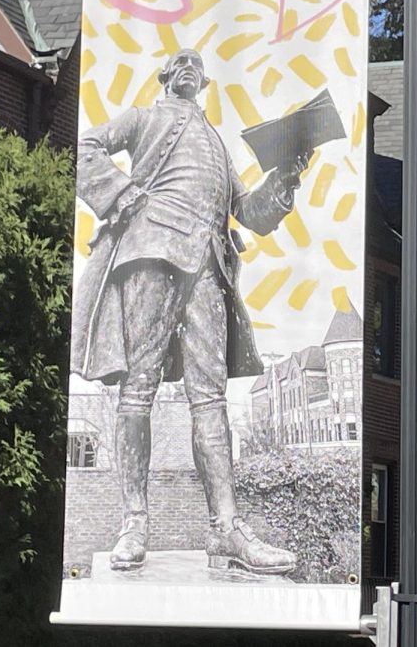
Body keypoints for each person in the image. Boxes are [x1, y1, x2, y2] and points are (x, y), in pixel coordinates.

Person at [71, 49, 306, 575]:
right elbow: (84, 145)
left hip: (207, 266)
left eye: (196, 66)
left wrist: (285, 178)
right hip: (150, 253)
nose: (188, 67)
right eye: (180, 62)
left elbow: (249, 212)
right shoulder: (144, 118)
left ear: (203, 82)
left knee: (211, 399)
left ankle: (226, 529)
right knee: (138, 388)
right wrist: (121, 193)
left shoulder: (218, 145)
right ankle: (134, 521)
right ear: (165, 77)